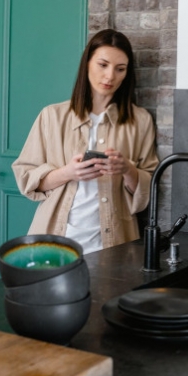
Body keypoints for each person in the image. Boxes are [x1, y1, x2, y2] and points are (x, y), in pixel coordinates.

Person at [12, 29, 159, 254]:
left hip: (116, 242)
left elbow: (149, 185)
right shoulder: (51, 116)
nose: (110, 76)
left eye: (120, 69)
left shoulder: (140, 120)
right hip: (56, 239)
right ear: (87, 63)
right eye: (103, 65)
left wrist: (127, 169)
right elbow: (27, 179)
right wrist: (69, 172)